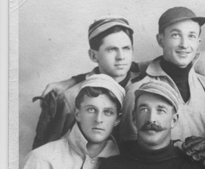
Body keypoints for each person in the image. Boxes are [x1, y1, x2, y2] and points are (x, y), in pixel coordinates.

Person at [120, 7, 205, 149]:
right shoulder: (137, 90)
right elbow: (129, 148)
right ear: (160, 40)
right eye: (176, 35)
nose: (184, 44)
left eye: (191, 36)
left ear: (198, 42)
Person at [34, 16, 143, 147]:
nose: (121, 57)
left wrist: (73, 79)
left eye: (126, 48)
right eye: (111, 49)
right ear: (93, 55)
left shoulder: (146, 81)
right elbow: (51, 147)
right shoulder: (71, 97)